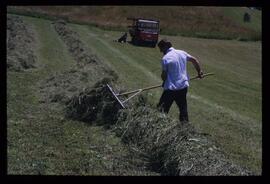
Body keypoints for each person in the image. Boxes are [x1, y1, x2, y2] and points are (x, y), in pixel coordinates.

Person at [157, 39, 203, 124]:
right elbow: (194, 60)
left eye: (161, 49)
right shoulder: (182, 53)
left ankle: (159, 125)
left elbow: (164, 76)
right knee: (183, 108)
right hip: (183, 87)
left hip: (171, 89)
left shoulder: (165, 58)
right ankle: (185, 127)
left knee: (162, 109)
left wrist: (164, 80)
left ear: (165, 46)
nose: (161, 51)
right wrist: (199, 72)